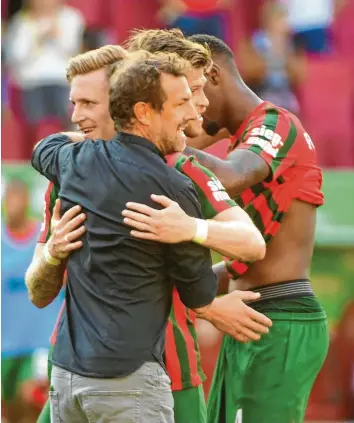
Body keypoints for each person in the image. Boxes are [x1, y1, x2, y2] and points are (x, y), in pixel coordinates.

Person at [27, 43, 271, 423]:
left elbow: (252, 243)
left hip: (167, 372)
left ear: (124, 100)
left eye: (89, 104)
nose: (76, 116)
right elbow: (38, 293)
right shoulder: (67, 175)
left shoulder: (180, 171)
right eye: (74, 103)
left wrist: (191, 227)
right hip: (84, 369)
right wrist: (52, 253)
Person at [127, 33, 329, 423]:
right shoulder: (242, 136)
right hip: (251, 317)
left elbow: (234, 175)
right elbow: (242, 263)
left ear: (213, 75)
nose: (193, 110)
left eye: (194, 92)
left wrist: (160, 139)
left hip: (280, 317)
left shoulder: (276, 122)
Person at [1, 179, 61, 423]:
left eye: (18, 198)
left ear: (27, 200)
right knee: (9, 411)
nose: (13, 204)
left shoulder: (44, 238)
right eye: (9, 199)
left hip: (38, 343)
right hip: (5, 345)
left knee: (31, 403)